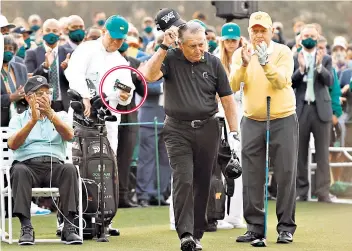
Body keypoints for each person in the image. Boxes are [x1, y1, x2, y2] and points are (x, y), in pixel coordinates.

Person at [139, 20, 239, 251]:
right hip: (177, 129)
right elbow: (149, 76)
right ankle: (185, 234)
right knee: (183, 179)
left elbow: (227, 99)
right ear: (181, 45)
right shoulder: (171, 57)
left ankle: (197, 234)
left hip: (208, 128)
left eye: (202, 44)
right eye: (192, 46)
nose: (198, 50)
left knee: (203, 182)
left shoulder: (213, 63)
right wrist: (163, 47)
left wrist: (233, 132)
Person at [230, 11, 298, 244]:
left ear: (271, 31)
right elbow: (232, 84)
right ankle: (255, 227)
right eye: (254, 30)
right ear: (249, 31)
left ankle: (286, 227)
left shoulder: (283, 52)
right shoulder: (241, 53)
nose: (258, 35)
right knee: (251, 175)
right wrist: (245, 65)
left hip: (282, 117)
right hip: (252, 119)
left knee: (285, 173)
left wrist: (265, 62)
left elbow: (281, 81)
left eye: (263, 30)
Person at [64, 15, 136, 235]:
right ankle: (69, 218)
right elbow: (73, 73)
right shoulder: (86, 50)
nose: (116, 43)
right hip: (81, 116)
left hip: (108, 119)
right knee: (74, 164)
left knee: (107, 167)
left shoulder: (120, 61)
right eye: (113, 38)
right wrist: (85, 96)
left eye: (120, 40)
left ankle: (104, 217)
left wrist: (124, 95)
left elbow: (126, 92)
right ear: (104, 31)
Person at [7, 75, 82, 245]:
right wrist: (32, 121)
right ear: (27, 97)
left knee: (70, 169)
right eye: (39, 93)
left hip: (54, 166)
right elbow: (12, 144)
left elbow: (70, 135)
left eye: (47, 93)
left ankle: (69, 227)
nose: (45, 96)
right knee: (18, 170)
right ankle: (26, 227)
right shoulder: (18, 119)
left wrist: (50, 115)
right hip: (28, 167)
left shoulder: (60, 115)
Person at [292, 24, 334, 203]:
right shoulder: (294, 57)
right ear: (300, 38)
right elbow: (290, 83)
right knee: (300, 152)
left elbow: (330, 81)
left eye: (312, 35)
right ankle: (302, 190)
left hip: (320, 109)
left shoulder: (325, 58)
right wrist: (301, 70)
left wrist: (318, 66)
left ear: (317, 39)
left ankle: (323, 191)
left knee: (323, 152)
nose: (309, 38)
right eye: (306, 35)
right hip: (302, 109)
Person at [213, 22, 246, 230]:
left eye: (235, 40)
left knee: (238, 166)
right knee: (220, 167)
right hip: (220, 117)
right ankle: (219, 214)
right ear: (222, 41)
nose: (231, 44)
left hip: (241, 117)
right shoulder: (215, 59)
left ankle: (235, 215)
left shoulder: (245, 58)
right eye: (228, 40)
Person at [24, 18, 73, 112]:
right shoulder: (31, 54)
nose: (51, 33)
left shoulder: (69, 53)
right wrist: (45, 67)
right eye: (48, 30)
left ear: (60, 33)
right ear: (42, 32)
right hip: (40, 105)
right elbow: (30, 82)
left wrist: (68, 69)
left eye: (55, 31)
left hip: (64, 105)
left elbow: (75, 80)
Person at [1, 35, 28, 126]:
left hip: (21, 118)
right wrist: (10, 97)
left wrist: (26, 93)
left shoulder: (21, 68)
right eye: (4, 48)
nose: (8, 51)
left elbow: (28, 90)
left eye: (10, 49)